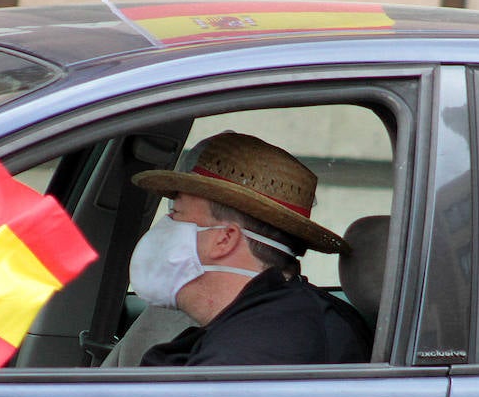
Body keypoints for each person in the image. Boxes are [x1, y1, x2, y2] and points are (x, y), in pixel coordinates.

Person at [127, 131, 371, 366]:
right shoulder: (274, 319)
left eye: (176, 213)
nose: (167, 225)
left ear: (224, 239)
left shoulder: (257, 348)